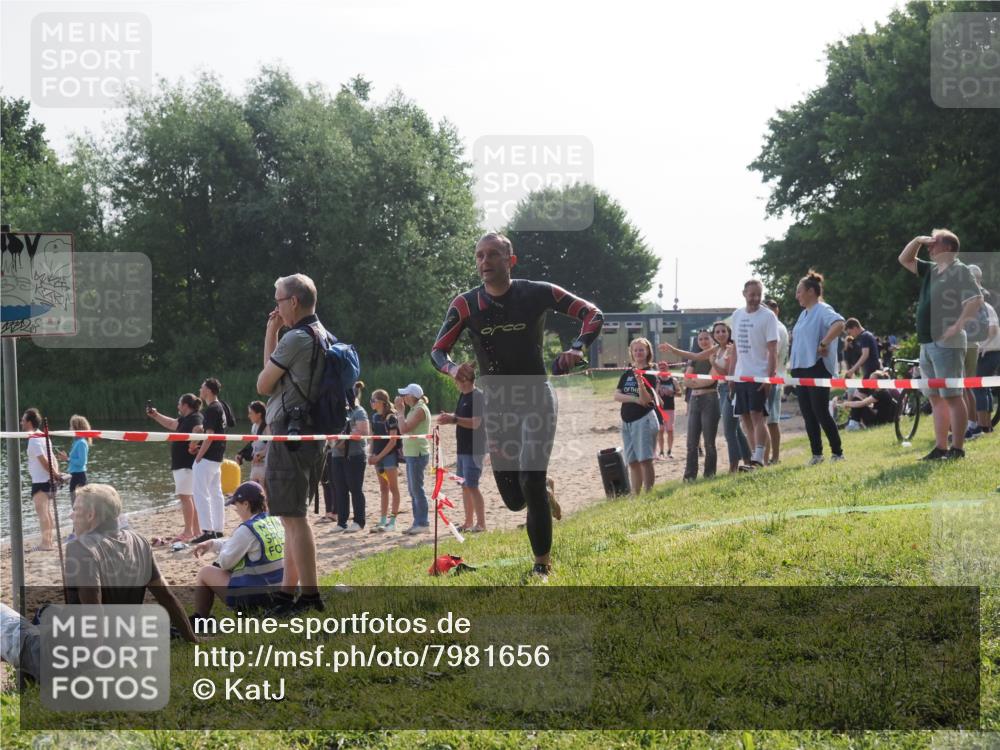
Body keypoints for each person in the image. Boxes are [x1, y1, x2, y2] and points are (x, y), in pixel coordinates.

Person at [430, 232, 603, 581]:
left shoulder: (537, 292)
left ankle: (542, 565)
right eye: (479, 255)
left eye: (493, 254)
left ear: (511, 260)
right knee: (513, 498)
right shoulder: (465, 304)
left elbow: (592, 313)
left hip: (536, 395)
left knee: (531, 478)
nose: (484, 261)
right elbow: (438, 351)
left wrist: (577, 348)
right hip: (496, 403)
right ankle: (543, 490)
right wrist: (452, 369)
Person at [256, 273, 329, 614]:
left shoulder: (297, 338)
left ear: (294, 302)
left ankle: (310, 596)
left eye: (279, 301)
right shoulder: (323, 334)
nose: (277, 307)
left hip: (290, 435)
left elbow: (264, 384)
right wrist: (275, 330)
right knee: (291, 516)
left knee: (294, 518)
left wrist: (272, 334)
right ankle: (288, 594)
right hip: (311, 435)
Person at [64, 484, 197, 640]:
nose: (71, 516)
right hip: (126, 636)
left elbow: (94, 611)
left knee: (27, 627)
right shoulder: (140, 541)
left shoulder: (81, 547)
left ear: (90, 515)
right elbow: (166, 597)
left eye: (76, 510)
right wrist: (192, 640)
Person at [898, 230, 983, 460]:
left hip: (948, 343)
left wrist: (957, 326)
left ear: (947, 248)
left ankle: (958, 448)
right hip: (927, 343)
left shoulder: (960, 269)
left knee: (953, 396)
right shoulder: (931, 269)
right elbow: (905, 259)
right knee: (935, 398)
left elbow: (976, 300)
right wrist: (917, 240)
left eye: (933, 244)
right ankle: (940, 447)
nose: (929, 248)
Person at [190, 481, 284, 626]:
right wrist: (213, 544)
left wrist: (218, 552)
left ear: (246, 504)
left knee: (205, 572)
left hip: (260, 599)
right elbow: (240, 542)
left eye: (236, 504)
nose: (235, 509)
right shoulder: (275, 520)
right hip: (283, 593)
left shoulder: (247, 529)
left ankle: (200, 619)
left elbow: (225, 562)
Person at [788, 270, 846, 464]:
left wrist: (824, 343)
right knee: (807, 413)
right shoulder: (803, 314)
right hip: (799, 368)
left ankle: (837, 453)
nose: (797, 296)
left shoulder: (822, 309)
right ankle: (817, 455)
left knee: (820, 411)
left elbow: (839, 324)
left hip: (817, 367)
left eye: (799, 291)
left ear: (811, 291)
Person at [730, 279, 780, 468]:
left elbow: (773, 349)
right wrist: (731, 375)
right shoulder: (737, 315)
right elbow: (735, 348)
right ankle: (754, 458)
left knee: (757, 415)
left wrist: (769, 377)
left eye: (759, 294)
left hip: (759, 374)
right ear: (744, 293)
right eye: (752, 294)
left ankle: (759, 457)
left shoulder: (768, 317)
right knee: (745, 418)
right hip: (741, 375)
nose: (756, 298)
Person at [148, 393, 203, 542]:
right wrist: (155, 415)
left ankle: (188, 532)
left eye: (179, 404)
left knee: (185, 498)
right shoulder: (185, 419)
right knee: (190, 497)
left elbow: (200, 429)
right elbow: (171, 424)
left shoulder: (195, 417)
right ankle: (196, 531)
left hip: (185, 464)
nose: (178, 406)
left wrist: (194, 441)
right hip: (183, 464)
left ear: (185, 405)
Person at [437, 371, 488, 531]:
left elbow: (476, 423)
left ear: (465, 379)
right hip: (462, 448)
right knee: (464, 486)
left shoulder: (478, 396)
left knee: (472, 485)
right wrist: (450, 417)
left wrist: (453, 419)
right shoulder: (463, 396)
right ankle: (468, 523)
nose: (454, 381)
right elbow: (459, 417)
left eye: (456, 379)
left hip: (474, 448)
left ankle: (481, 524)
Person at [613, 338, 661, 493]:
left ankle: (648, 493)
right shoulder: (627, 373)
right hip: (627, 421)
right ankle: (635, 494)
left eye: (642, 349)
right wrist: (634, 399)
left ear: (648, 352)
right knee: (632, 462)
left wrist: (640, 384)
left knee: (645, 460)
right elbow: (617, 395)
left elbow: (646, 401)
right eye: (636, 350)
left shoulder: (651, 372)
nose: (639, 352)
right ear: (631, 353)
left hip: (644, 419)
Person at [191, 378, 231, 544]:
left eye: (202, 387)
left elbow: (210, 435)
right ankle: (218, 529)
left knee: (201, 493)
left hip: (209, 456)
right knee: (216, 493)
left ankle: (207, 530)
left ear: (208, 390)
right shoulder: (221, 406)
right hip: (218, 455)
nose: (200, 389)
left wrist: (199, 455)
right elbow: (229, 424)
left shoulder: (212, 408)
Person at [327, 381, 369, 532]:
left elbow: (363, 432)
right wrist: (335, 441)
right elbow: (330, 434)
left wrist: (344, 437)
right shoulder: (338, 413)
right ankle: (341, 522)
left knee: (355, 488)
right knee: (340, 489)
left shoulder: (359, 411)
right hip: (337, 456)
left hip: (355, 456)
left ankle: (359, 521)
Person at [679, 331, 720, 480]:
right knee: (691, 443)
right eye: (700, 339)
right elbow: (686, 380)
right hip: (694, 400)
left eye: (706, 338)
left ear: (711, 339)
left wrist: (694, 383)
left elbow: (710, 379)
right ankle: (690, 476)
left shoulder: (715, 356)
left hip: (710, 398)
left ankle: (709, 475)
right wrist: (694, 383)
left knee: (709, 441)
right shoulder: (695, 358)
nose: (703, 341)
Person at [394, 383, 432, 535]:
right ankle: (418, 522)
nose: (403, 397)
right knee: (413, 490)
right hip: (412, 453)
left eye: (405, 395)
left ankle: (422, 523)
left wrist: (400, 411)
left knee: (417, 489)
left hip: (417, 454)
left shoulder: (420, 409)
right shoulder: (415, 409)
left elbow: (403, 429)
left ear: (412, 396)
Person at [21, 408, 58, 551]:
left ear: (29, 422)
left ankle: (46, 543)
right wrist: (56, 474)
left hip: (41, 481)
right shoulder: (44, 436)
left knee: (43, 513)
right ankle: (49, 541)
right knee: (47, 512)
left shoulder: (34, 440)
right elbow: (52, 458)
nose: (21, 423)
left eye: (23, 420)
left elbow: (44, 460)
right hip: (47, 480)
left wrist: (55, 475)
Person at [969, 266, 1000, 435]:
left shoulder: (985, 307)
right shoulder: (986, 306)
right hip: (992, 351)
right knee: (984, 388)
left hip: (988, 351)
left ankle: (981, 426)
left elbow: (993, 330)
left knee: (978, 388)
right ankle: (986, 426)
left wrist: (982, 345)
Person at [368, 389, 402, 532]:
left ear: (382, 402)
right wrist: (370, 454)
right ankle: (382, 520)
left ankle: (392, 522)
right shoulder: (374, 417)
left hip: (388, 456)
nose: (371, 402)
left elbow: (392, 442)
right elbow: (372, 438)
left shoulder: (391, 417)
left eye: (373, 400)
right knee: (383, 488)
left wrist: (378, 456)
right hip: (378, 456)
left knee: (393, 488)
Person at [763, 298, 789, 464]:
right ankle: (773, 457)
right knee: (771, 420)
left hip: (772, 378)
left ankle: (770, 458)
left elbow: (771, 355)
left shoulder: (777, 329)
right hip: (775, 376)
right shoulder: (778, 327)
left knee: (767, 420)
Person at [56, 414, 91, 507]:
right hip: (74, 476)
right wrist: (66, 458)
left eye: (71, 426)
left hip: (79, 477)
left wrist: (67, 458)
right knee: (75, 506)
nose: (69, 428)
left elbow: (82, 462)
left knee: (79, 507)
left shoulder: (81, 443)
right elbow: (74, 460)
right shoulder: (76, 442)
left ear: (77, 428)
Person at [236, 401, 268, 487]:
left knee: (262, 492)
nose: (248, 416)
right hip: (255, 464)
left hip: (265, 465)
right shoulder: (254, 426)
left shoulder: (267, 427)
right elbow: (253, 443)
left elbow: (273, 444)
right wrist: (241, 454)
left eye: (251, 413)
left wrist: (262, 454)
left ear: (259, 414)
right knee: (253, 490)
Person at [655, 362, 677, 459]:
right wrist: (658, 388)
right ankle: (661, 451)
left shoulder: (673, 380)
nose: (662, 369)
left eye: (664, 367)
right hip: (660, 409)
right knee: (660, 430)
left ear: (667, 368)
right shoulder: (656, 381)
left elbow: (680, 392)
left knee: (670, 430)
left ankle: (670, 451)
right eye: (660, 368)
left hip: (670, 409)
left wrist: (673, 392)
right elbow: (653, 394)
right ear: (658, 369)